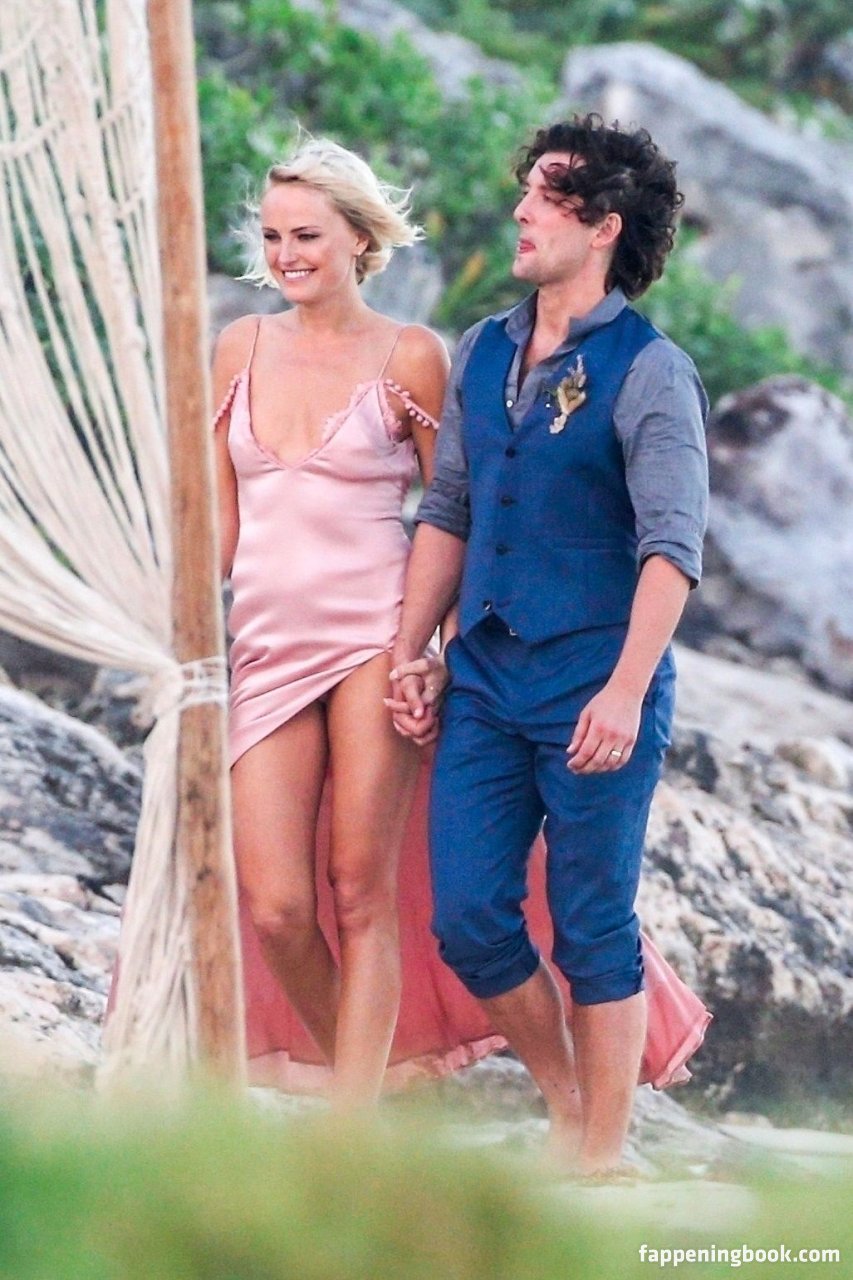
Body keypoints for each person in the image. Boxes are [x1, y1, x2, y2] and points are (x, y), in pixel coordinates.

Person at [210, 134, 709, 1113]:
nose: (284, 253)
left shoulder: (466, 357)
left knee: (433, 899)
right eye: (271, 236)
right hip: (329, 649)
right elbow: (424, 510)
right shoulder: (276, 347)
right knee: (334, 910)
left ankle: (423, 1131)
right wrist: (419, 650)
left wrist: (452, 654)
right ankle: (418, 1086)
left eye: (305, 234)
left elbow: (611, 533)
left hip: (463, 648)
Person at [388, 115, 709, 1172]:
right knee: (470, 917)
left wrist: (624, 691)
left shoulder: (651, 369)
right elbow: (449, 507)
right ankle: (568, 1100)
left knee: (591, 923)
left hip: (593, 676)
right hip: (484, 675)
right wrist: (413, 649)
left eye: (546, 195)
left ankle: (597, 1159)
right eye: (523, 190)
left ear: (603, 225)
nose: (520, 211)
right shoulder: (482, 348)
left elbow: (671, 548)